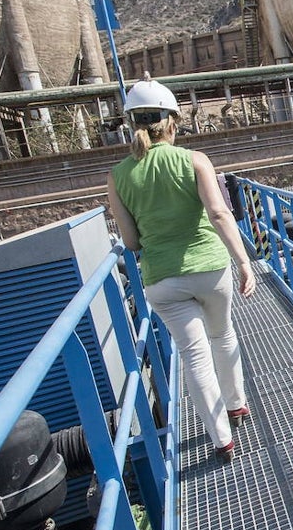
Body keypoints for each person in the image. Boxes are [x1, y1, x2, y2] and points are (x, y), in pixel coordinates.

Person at [107, 75, 255, 463]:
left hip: (161, 281)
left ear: (131, 125)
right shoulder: (193, 160)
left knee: (194, 356)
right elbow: (219, 213)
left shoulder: (117, 176)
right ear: (172, 122)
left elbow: (132, 242)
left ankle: (221, 438)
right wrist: (243, 262)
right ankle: (237, 404)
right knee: (222, 336)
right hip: (209, 268)